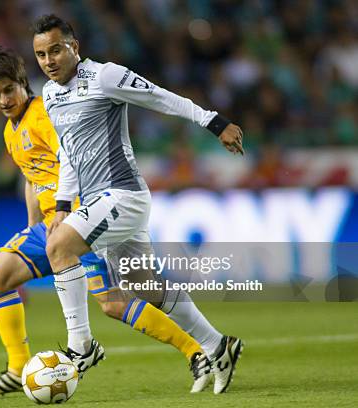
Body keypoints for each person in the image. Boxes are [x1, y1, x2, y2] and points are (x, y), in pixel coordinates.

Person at [0, 46, 213, 396]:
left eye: (9, 90)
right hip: (49, 225)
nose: (3, 100)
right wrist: (31, 223)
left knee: (114, 303)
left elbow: (74, 158)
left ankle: (195, 351)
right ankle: (17, 368)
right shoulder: (12, 131)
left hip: (79, 218)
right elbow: (32, 177)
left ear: (23, 84)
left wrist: (72, 213)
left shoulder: (45, 115)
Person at [32, 14, 244, 394]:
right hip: (98, 202)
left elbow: (160, 97)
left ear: (74, 47)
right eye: (41, 54)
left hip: (122, 195)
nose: (48, 60)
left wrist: (215, 122)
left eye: (55, 50)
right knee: (143, 285)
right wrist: (63, 204)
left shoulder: (104, 76)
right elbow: (69, 154)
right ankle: (218, 345)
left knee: (58, 247)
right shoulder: (49, 94)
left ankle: (80, 348)